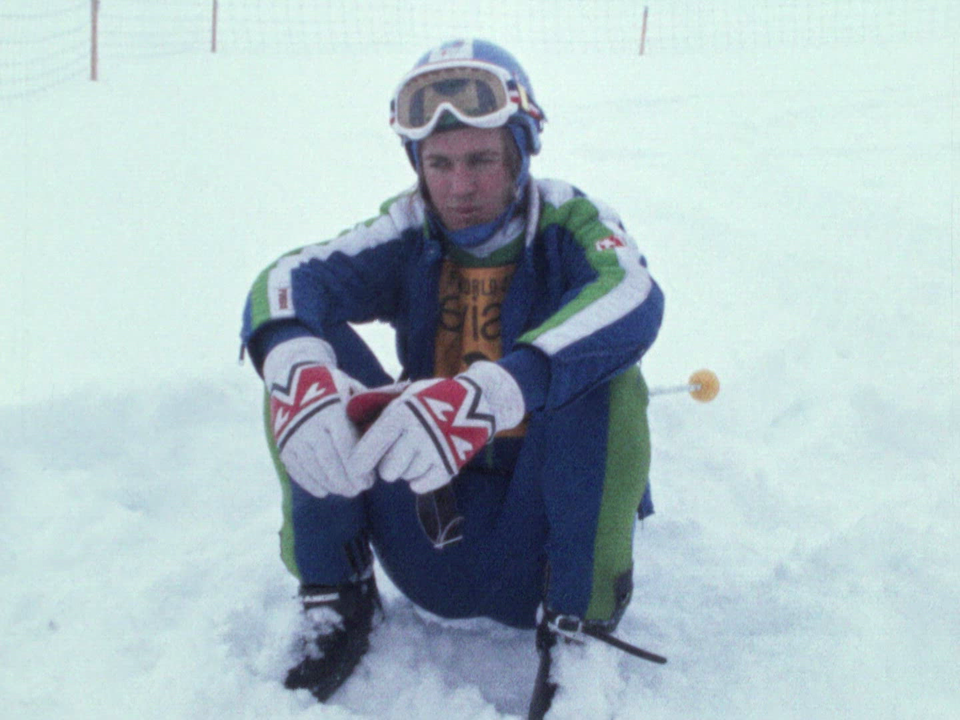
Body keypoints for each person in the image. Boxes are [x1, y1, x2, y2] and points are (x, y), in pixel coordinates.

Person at [240, 38, 664, 717]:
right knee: (300, 358)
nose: (459, 187)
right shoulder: (408, 227)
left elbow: (633, 296)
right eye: (438, 163)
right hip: (430, 520)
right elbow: (288, 280)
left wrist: (498, 390)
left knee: (607, 372)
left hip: (548, 535)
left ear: (522, 152)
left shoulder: (567, 221)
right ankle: (335, 596)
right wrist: (293, 361)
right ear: (417, 163)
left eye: (481, 160)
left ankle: (582, 643)